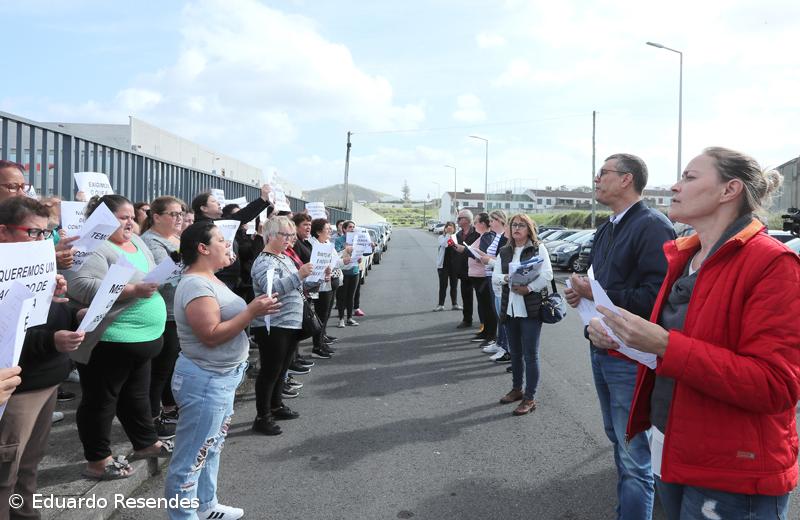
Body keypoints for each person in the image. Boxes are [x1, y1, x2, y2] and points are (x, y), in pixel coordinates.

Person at [586, 148, 800, 520]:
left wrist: (665, 344)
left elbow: (776, 385)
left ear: (728, 190)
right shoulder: (685, 257)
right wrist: (619, 336)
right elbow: (673, 349)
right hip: (673, 447)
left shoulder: (771, 264)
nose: (674, 186)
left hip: (733, 472)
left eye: (689, 177)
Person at [564, 153, 676, 520]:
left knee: (633, 458)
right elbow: (601, 284)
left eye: (603, 173)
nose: (596, 179)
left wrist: (596, 295)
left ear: (626, 179)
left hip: (631, 358)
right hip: (602, 348)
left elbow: (657, 296)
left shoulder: (652, 226)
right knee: (619, 441)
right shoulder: (608, 226)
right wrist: (582, 296)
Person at [164, 221, 279, 520]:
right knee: (191, 458)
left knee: (211, 447)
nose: (227, 244)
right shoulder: (195, 284)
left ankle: (206, 504)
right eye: (219, 240)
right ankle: (183, 515)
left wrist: (253, 312)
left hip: (222, 377)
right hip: (206, 380)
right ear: (202, 248)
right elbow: (211, 334)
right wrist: (251, 312)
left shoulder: (209, 278)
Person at [63, 194, 171, 480]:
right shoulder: (89, 247)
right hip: (109, 340)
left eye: (131, 217)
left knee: (136, 395)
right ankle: (97, 460)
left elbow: (148, 274)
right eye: (123, 217)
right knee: (101, 402)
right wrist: (133, 290)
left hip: (142, 340)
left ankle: (145, 443)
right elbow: (82, 287)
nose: (131, 222)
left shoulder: (136, 242)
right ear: (102, 220)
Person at [0, 197, 82, 518]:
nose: (41, 242)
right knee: (6, 473)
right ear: (3, 232)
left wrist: (71, 311)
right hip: (19, 388)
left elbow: (49, 316)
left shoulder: (42, 263)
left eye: (46, 234)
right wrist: (51, 339)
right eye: (33, 233)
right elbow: (11, 336)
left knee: (29, 468)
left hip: (49, 378)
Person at [250, 216, 313, 436]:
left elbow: (295, 284)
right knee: (270, 371)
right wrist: (299, 275)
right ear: (270, 235)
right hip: (273, 324)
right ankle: (262, 416)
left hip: (288, 323)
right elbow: (272, 290)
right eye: (284, 235)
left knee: (281, 369)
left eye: (291, 235)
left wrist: (310, 278)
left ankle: (276, 406)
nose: (289, 240)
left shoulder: (282, 257)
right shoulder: (265, 261)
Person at [493, 213, 553, 416]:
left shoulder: (538, 248)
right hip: (509, 309)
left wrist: (529, 288)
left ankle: (530, 397)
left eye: (521, 225)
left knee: (531, 355)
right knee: (515, 353)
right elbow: (495, 277)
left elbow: (547, 274)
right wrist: (507, 278)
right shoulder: (505, 250)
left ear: (529, 228)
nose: (517, 228)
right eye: (514, 225)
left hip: (530, 309)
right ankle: (517, 389)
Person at [140, 196, 186, 440]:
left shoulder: (175, 239)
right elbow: (162, 274)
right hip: (164, 312)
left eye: (181, 213)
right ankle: (153, 418)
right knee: (160, 369)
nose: (179, 219)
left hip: (177, 309)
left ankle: (168, 407)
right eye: (174, 214)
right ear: (156, 217)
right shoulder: (151, 241)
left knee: (171, 364)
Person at [480, 210, 510, 362]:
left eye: (492, 221)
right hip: (493, 277)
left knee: (502, 315)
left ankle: (505, 347)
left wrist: (488, 260)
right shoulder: (499, 236)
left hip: (498, 279)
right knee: (498, 314)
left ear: (499, 220)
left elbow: (501, 260)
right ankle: (500, 343)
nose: (489, 224)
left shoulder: (505, 237)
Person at [308, 218, 337, 359]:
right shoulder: (314, 246)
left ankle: (321, 342)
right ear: (319, 231)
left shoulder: (328, 244)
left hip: (328, 284)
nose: (330, 231)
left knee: (324, 315)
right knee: (319, 316)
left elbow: (335, 262)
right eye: (327, 229)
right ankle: (316, 347)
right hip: (318, 286)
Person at [451, 210, 480, 329]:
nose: (457, 221)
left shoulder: (478, 233)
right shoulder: (457, 235)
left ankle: (485, 322)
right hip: (463, 271)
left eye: (459, 218)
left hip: (478, 270)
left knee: (482, 298)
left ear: (467, 220)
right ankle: (467, 319)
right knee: (466, 296)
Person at [334, 220, 359, 327]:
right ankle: (341, 319)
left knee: (351, 296)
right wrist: (346, 249)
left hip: (354, 271)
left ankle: (349, 318)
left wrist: (360, 257)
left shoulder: (357, 240)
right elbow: (336, 254)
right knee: (341, 296)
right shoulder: (339, 240)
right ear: (344, 229)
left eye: (353, 227)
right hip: (343, 272)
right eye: (349, 227)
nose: (352, 228)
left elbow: (362, 252)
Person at [434, 221, 459, 311]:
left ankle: (454, 304)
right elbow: (445, 244)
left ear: (454, 229)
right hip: (443, 266)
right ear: (444, 229)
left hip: (454, 266)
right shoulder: (441, 237)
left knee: (454, 285)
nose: (449, 228)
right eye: (447, 227)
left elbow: (457, 247)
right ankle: (441, 305)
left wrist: (451, 235)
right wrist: (448, 234)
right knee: (443, 285)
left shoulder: (456, 237)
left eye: (451, 227)